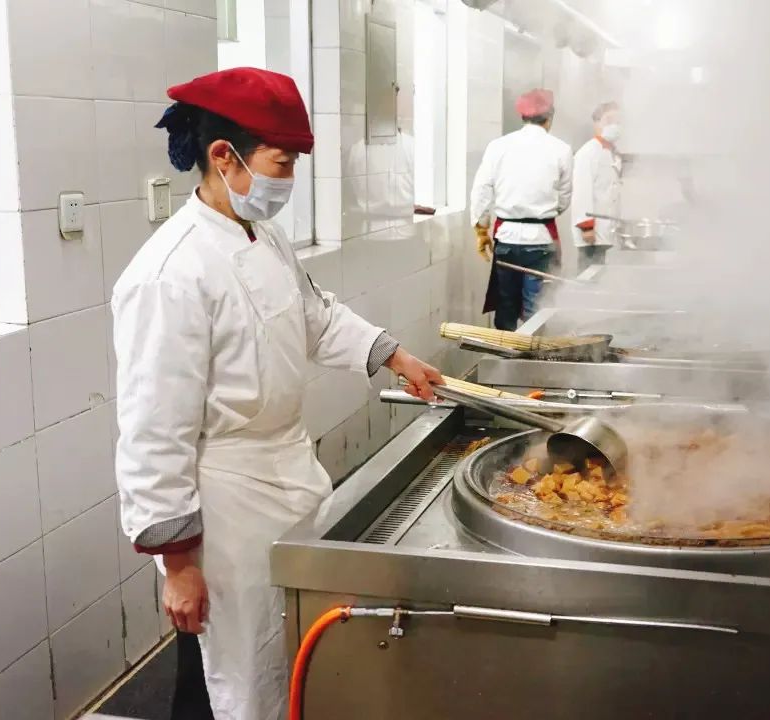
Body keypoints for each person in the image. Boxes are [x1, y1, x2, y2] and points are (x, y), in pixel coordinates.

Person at [111, 67, 442, 720]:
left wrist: (395, 356)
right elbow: (154, 428)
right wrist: (178, 563)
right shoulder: (169, 274)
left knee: (288, 650)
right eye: (281, 163)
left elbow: (315, 317)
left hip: (287, 475)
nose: (288, 181)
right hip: (224, 505)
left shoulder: (261, 236)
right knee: (232, 674)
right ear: (223, 156)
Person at [470, 88, 573, 331]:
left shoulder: (498, 146)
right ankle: (532, 353)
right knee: (536, 311)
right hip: (541, 242)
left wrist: (481, 229)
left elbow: (481, 190)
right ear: (550, 117)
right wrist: (542, 212)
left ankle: (504, 354)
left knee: (506, 306)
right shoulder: (561, 149)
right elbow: (564, 198)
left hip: (506, 239)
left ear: (522, 116)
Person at [572, 102, 625, 272]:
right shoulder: (588, 153)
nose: (614, 125)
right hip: (592, 234)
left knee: (603, 277)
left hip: (608, 232)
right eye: (609, 120)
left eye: (618, 121)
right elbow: (581, 193)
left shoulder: (613, 153)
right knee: (589, 277)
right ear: (596, 123)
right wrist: (587, 226)